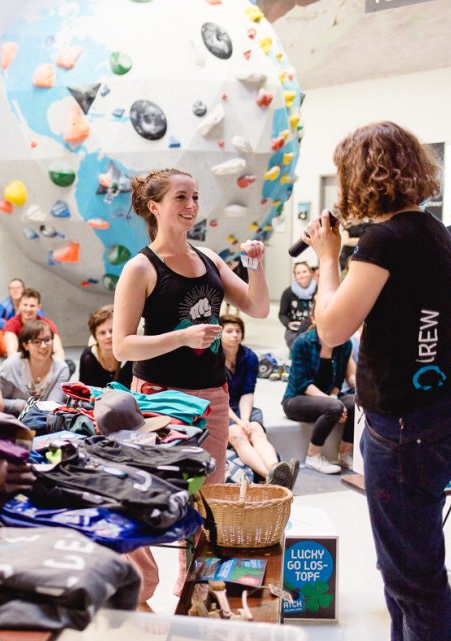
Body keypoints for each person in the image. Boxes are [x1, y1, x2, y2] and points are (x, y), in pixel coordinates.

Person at [308, 121, 451, 641]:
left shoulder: (383, 241)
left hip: (404, 429)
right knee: (406, 564)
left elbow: (329, 329)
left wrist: (328, 256)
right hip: (438, 415)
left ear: (359, 176)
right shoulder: (430, 231)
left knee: (415, 579)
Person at [112, 167, 269, 606]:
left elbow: (256, 306)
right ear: (154, 206)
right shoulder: (140, 268)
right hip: (159, 397)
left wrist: (254, 265)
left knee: (207, 499)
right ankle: (141, 589)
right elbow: (123, 345)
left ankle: (192, 591)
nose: (191, 206)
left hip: (213, 398)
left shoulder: (210, 259)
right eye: (181, 197)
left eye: (195, 197)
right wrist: (181, 336)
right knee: (153, 495)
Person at [220, 315, 295, 488]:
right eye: (229, 331)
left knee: (256, 430)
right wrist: (238, 421)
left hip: (244, 406)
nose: (234, 335)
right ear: (220, 334)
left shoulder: (249, 357)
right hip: (221, 407)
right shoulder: (213, 359)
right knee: (237, 434)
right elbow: (219, 396)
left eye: (238, 331)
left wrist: (245, 419)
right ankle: (273, 479)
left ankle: (275, 469)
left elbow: (248, 392)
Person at [281, 323, 356, 474]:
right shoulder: (302, 342)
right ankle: (313, 456)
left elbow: (338, 380)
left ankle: (345, 453)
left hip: (328, 397)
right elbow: (303, 384)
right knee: (334, 407)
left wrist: (334, 396)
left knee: (356, 403)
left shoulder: (345, 344)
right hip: (297, 398)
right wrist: (333, 401)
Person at [0, 320, 71, 415]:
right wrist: (21, 405)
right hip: (12, 419)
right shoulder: (11, 365)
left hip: (45, 420)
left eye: (47, 340)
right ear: (25, 345)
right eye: (36, 341)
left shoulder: (61, 369)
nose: (43, 346)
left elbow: (53, 406)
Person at [3, 288, 66, 360]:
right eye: (25, 305)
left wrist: (58, 367)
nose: (28, 309)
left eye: (32, 306)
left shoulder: (47, 324)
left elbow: (58, 350)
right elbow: (11, 352)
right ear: (20, 305)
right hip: (22, 361)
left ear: (39, 307)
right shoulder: (11, 324)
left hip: (44, 361)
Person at [79, 305, 132, 388]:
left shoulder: (131, 356)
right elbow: (84, 391)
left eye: (111, 331)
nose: (108, 336)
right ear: (95, 336)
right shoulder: (87, 357)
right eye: (102, 333)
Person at [278, 261, 316, 349]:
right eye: (298, 273)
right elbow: (282, 314)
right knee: (296, 342)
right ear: (295, 276)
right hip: (294, 330)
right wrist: (288, 323)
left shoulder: (318, 290)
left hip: (313, 328)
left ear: (310, 273)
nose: (302, 275)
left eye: (304, 271)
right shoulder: (288, 293)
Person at [0, 278, 26, 357]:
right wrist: (11, 326)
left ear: (23, 289)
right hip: (9, 333)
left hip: (25, 333)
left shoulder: (29, 303)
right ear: (9, 291)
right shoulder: (5, 304)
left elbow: (39, 317)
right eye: (12, 288)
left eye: (18, 288)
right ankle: (8, 351)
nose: (15, 290)